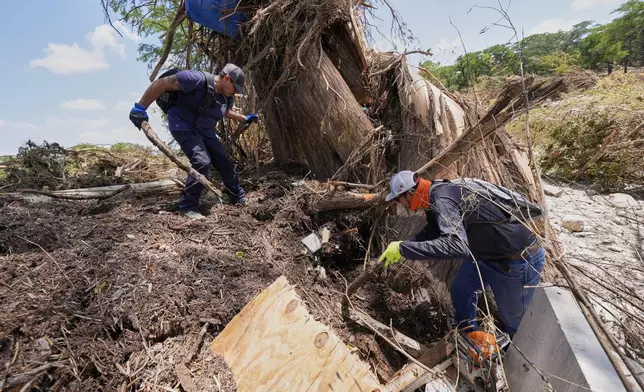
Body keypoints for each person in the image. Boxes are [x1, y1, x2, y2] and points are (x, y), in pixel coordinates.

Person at [379, 170, 545, 338]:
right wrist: (406, 245)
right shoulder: (434, 195)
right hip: (484, 255)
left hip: (516, 260)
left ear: (411, 192)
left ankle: (518, 359)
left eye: (399, 199)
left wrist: (403, 249)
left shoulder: (441, 198)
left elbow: (457, 246)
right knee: (461, 290)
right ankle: (469, 336)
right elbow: (433, 230)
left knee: (515, 323)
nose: (401, 205)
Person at [129, 64, 258, 219]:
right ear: (227, 78)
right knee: (201, 161)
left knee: (223, 160)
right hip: (183, 125)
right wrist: (140, 107)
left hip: (206, 130)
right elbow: (161, 84)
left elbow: (226, 111)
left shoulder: (226, 96)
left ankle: (237, 195)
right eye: (235, 88)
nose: (236, 92)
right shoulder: (195, 79)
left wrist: (244, 118)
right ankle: (188, 205)